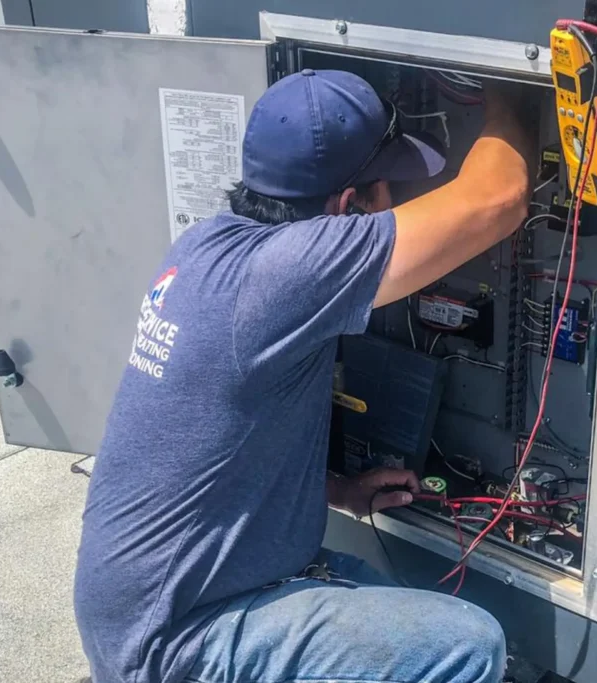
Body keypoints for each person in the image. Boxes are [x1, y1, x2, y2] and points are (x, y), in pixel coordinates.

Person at [73, 68, 530, 683]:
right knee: (468, 646)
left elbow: (216, 452)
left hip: (150, 608)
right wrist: (510, 87)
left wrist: (336, 491)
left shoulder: (206, 247)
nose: (393, 203)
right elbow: (497, 200)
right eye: (387, 188)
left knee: (400, 606)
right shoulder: (289, 274)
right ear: (345, 208)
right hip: (177, 643)